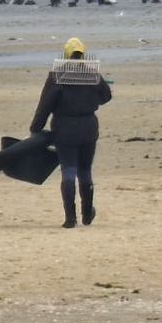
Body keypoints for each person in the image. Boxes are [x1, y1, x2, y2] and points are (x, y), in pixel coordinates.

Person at [30, 38, 112, 228]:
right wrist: (90, 99)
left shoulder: (56, 76)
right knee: (85, 170)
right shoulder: (92, 74)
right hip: (88, 127)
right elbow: (106, 96)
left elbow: (44, 106)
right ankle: (87, 212)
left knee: (69, 171)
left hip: (64, 129)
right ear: (83, 53)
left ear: (66, 54)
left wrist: (36, 128)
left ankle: (70, 218)